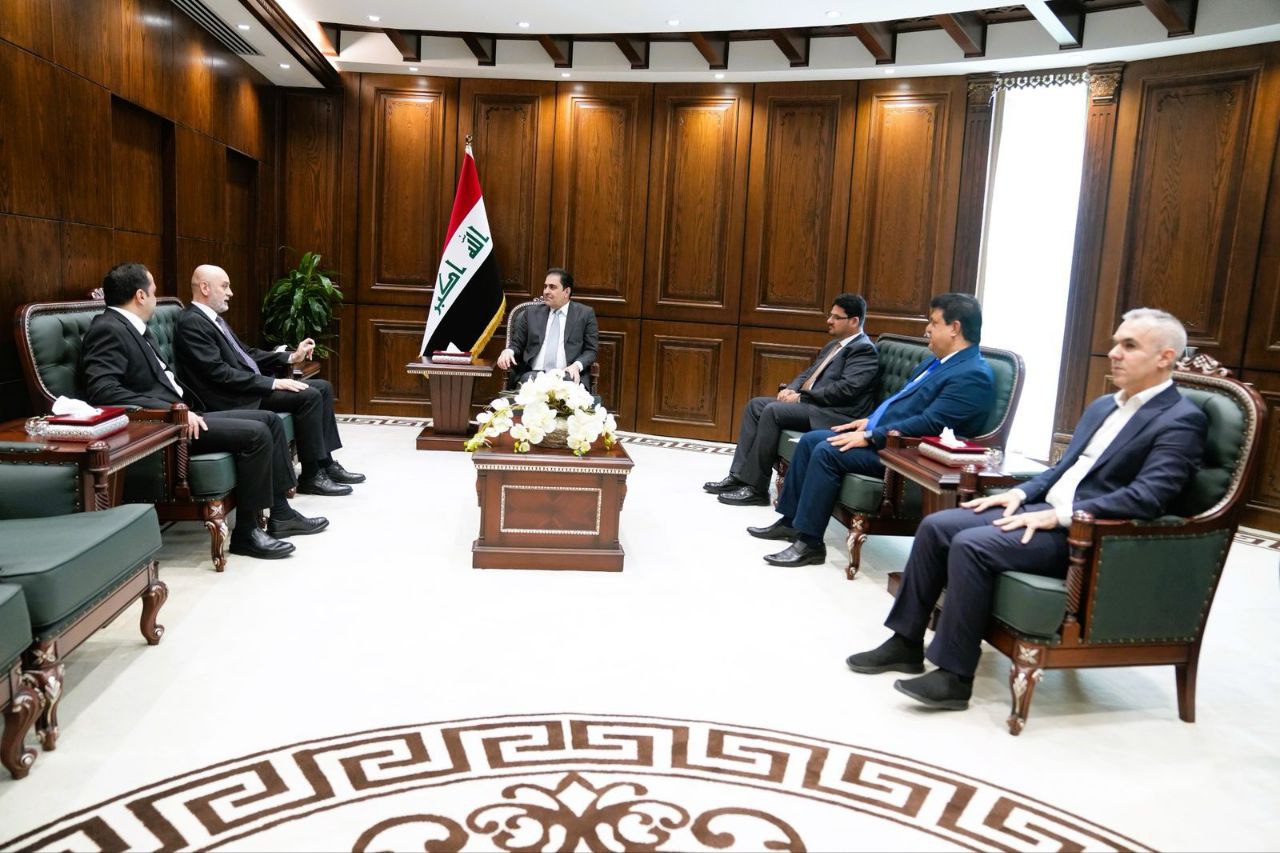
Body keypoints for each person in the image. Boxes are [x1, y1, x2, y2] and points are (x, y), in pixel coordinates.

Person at [846, 308, 1207, 712]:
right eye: (1115, 343)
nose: (1114, 353)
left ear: (1164, 357)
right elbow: (1061, 469)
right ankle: (906, 642)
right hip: (1040, 509)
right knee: (936, 526)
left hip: (1086, 534)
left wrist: (1057, 515)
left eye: (1129, 345)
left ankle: (954, 677)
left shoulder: (1181, 420)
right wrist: (1019, 493)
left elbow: (1147, 497)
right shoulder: (1105, 405)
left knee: (971, 544)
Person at [81, 263, 327, 559]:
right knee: (257, 432)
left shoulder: (129, 326)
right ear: (140, 296)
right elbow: (104, 392)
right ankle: (247, 533)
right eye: (154, 292)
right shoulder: (108, 328)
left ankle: (281, 515)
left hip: (186, 413)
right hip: (168, 426)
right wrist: (173, 411)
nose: (156, 299)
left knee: (270, 421)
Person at [751, 293, 995, 567]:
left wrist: (871, 435)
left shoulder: (972, 374)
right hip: (884, 436)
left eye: (934, 322)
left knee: (826, 451)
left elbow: (931, 423)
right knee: (810, 442)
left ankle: (810, 544)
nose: (927, 329)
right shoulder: (936, 362)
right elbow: (901, 403)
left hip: (906, 454)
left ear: (955, 328)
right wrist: (868, 421)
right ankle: (790, 522)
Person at [174, 264, 364, 497]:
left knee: (323, 387)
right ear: (205, 288)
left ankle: (325, 462)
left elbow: (246, 354)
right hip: (230, 398)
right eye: (225, 286)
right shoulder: (192, 322)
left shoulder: (213, 320)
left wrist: (291, 356)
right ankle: (312, 476)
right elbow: (218, 373)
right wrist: (273, 383)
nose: (230, 292)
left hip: (245, 387)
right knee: (308, 396)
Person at [706, 294, 879, 507]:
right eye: (830, 315)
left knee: (773, 411)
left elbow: (845, 390)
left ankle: (756, 489)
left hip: (836, 413)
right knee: (755, 405)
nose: (829, 321)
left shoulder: (864, 350)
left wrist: (801, 397)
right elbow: (809, 372)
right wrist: (791, 388)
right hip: (814, 404)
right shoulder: (835, 345)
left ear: (854, 321)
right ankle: (739, 476)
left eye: (836, 317)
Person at [496, 268, 598, 389]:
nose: (546, 291)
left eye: (552, 287)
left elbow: (591, 350)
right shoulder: (531, 313)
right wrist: (508, 351)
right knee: (527, 384)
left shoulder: (584, 314)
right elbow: (517, 344)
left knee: (569, 387)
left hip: (567, 376)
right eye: (545, 287)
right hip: (533, 377)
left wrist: (577, 365)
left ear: (566, 291)